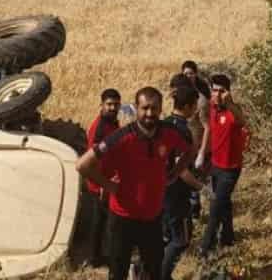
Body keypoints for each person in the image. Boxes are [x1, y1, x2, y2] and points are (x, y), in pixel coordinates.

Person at [77, 87, 194, 280]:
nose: (149, 113)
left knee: (154, 271)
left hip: (152, 218)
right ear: (136, 109)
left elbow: (191, 150)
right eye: (145, 108)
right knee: (118, 273)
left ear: (161, 109)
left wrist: (175, 173)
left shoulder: (169, 133)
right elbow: (82, 165)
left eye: (154, 108)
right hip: (123, 219)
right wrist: (107, 185)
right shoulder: (121, 137)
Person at [199, 73, 250, 258]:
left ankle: (206, 250)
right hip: (215, 165)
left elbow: (242, 121)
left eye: (222, 91)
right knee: (224, 203)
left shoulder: (232, 111)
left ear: (228, 93)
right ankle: (228, 238)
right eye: (215, 91)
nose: (217, 95)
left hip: (230, 169)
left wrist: (229, 104)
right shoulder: (212, 107)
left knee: (215, 208)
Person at [162, 84, 204, 280]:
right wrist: (201, 188)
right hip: (176, 194)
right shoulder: (181, 130)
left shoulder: (164, 123)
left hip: (161, 191)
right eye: (195, 105)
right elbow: (182, 169)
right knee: (181, 239)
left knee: (167, 236)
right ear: (187, 106)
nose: (196, 109)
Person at [83, 89, 123, 266]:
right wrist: (101, 186)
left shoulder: (112, 123)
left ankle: (98, 255)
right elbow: (92, 160)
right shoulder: (100, 128)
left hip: (106, 181)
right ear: (101, 105)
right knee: (100, 222)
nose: (113, 107)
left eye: (115, 104)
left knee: (102, 220)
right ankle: (95, 257)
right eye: (109, 104)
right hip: (99, 183)